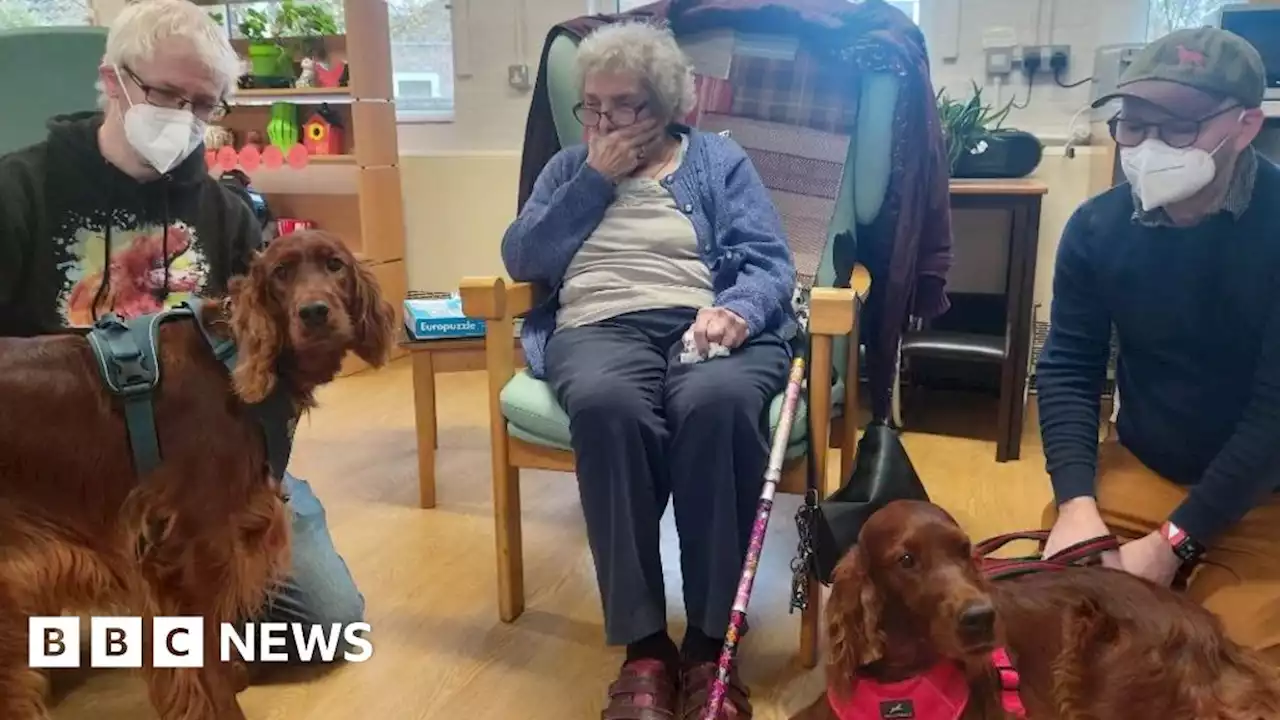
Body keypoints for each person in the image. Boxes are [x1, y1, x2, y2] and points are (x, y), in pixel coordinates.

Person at [0, 0, 364, 660]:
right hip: (53, 473)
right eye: (168, 95)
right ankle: (140, 627)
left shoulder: (228, 216)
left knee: (324, 626)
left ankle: (124, 632)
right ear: (114, 81)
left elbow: (265, 370)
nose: (186, 120)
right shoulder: (16, 190)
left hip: (205, 468)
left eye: (205, 105)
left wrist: (266, 468)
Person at [502, 20, 795, 719]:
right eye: (592, 107)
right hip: (598, 327)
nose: (604, 122)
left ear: (666, 107)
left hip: (706, 322)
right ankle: (642, 645)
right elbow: (524, 258)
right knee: (607, 407)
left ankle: (707, 641)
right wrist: (593, 183)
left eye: (624, 106)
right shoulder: (568, 171)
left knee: (717, 405)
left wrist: (740, 313)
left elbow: (769, 261)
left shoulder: (719, 163)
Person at [1037, 27, 1280, 661]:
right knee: (1067, 624)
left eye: (1178, 130)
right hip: (1144, 468)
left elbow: (1274, 418)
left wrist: (1176, 544)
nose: (1147, 148)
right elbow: (1067, 368)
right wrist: (1076, 503)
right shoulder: (1096, 229)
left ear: (1246, 125)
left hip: (1263, 496)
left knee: (1234, 664)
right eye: (1133, 125)